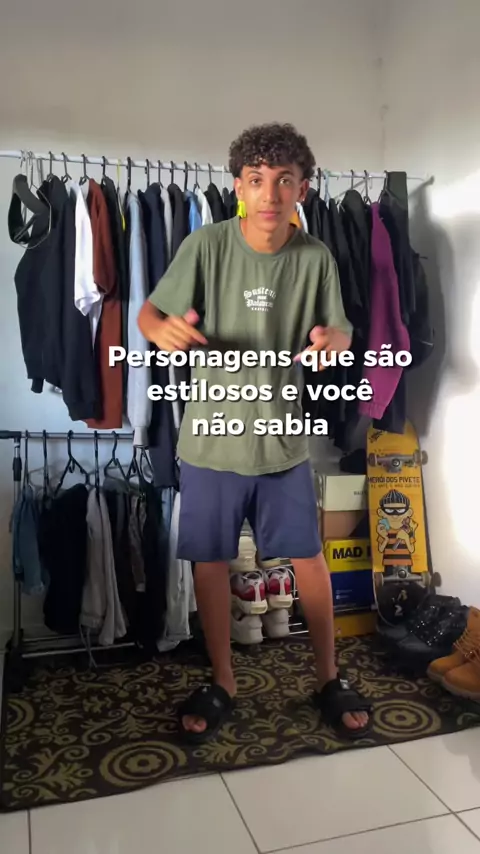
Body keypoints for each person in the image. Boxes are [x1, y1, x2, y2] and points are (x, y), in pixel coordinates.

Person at [138, 122, 372, 743]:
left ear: (303, 189)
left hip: (282, 441)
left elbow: (340, 329)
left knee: (309, 559)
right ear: (239, 187)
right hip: (211, 441)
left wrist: (334, 341)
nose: (270, 194)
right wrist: (158, 329)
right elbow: (150, 313)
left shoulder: (316, 257)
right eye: (257, 179)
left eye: (284, 180)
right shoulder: (205, 245)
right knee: (211, 562)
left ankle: (328, 677)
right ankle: (223, 680)